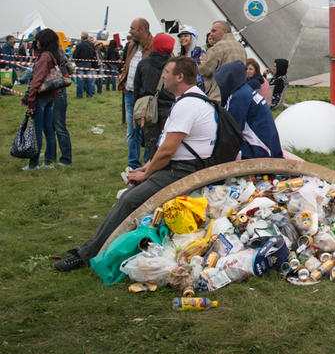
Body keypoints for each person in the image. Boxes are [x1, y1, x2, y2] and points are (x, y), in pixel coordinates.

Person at [52, 56, 217, 272]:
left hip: (182, 172)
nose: (163, 76)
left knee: (129, 200)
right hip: (180, 167)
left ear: (180, 77)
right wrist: (147, 167)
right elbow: (170, 146)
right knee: (128, 198)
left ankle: (86, 254)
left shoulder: (188, 104)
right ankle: (90, 246)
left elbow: (168, 150)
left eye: (167, 72)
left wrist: (147, 174)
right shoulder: (193, 99)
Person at [214, 60, 283, 159]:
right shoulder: (245, 90)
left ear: (228, 80)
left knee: (213, 148)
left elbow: (230, 133)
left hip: (259, 152)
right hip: (270, 148)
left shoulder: (238, 97)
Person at [22, 28, 62, 170]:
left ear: (42, 41)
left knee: (36, 131)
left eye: (38, 40)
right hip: (51, 97)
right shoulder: (54, 55)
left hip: (41, 98)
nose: (36, 43)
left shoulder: (44, 57)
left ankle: (33, 164)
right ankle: (49, 161)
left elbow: (36, 81)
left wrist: (30, 100)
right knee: (49, 131)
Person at [133, 34, 176, 160]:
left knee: (150, 145)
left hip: (148, 109)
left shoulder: (143, 63)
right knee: (168, 145)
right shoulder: (176, 65)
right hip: (170, 108)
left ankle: (150, 171)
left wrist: (138, 106)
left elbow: (137, 88)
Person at [118, 18, 153, 169]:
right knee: (132, 130)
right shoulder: (132, 45)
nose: (130, 31)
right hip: (130, 92)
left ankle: (147, 163)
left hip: (145, 96)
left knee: (147, 129)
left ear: (142, 30)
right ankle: (133, 163)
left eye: (132, 28)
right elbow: (128, 64)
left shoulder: (154, 46)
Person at [197, 20, 246, 103]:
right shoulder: (240, 47)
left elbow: (204, 71)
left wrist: (202, 62)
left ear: (225, 31)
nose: (211, 34)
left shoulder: (218, 47)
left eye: (214, 31)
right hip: (237, 95)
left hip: (218, 95)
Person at [53, 47, 73, 166]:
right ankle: (51, 155)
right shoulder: (60, 54)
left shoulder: (55, 55)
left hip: (57, 92)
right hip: (58, 93)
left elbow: (68, 72)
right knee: (53, 128)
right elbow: (70, 69)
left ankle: (66, 158)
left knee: (59, 127)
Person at [72, 32, 97, 98]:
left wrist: (76, 61)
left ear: (82, 37)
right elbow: (94, 54)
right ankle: (90, 94)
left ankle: (79, 95)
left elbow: (75, 55)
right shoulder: (91, 45)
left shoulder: (79, 45)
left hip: (80, 64)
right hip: (89, 64)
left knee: (80, 81)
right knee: (89, 80)